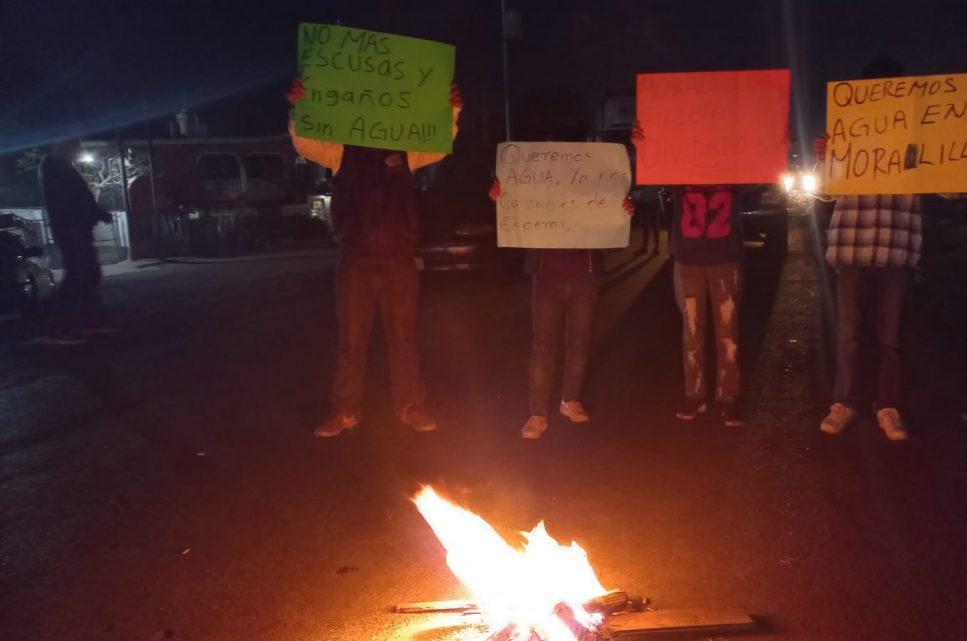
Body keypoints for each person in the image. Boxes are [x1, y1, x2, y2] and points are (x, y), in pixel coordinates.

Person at [813, 58, 967, 441]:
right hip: (852, 247)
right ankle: (843, 403)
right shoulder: (848, 135)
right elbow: (823, 190)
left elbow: (954, 188)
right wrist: (825, 157)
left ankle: (888, 407)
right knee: (848, 335)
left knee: (890, 337)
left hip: (897, 249)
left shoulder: (920, 139)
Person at [287, 77, 461, 437]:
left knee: (404, 338)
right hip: (356, 259)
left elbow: (439, 145)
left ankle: (411, 405)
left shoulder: (406, 148)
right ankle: (345, 408)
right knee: (351, 340)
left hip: (399, 257)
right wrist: (299, 107)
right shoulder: (340, 150)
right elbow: (305, 142)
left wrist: (452, 110)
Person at [487, 179, 635, 439]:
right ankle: (537, 414)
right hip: (547, 279)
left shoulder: (595, 189)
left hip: (584, 279)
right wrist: (502, 199)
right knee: (543, 346)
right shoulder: (539, 187)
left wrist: (622, 214)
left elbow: (612, 239)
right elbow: (516, 212)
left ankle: (570, 400)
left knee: (579, 343)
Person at [630, 122, 746, 427]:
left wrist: (776, 146)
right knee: (692, 332)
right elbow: (655, 168)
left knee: (727, 333)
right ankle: (695, 395)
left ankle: (728, 397)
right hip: (688, 260)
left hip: (725, 259)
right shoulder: (680, 168)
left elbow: (761, 172)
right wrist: (644, 145)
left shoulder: (733, 169)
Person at [38, 138, 115, 345]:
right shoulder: (55, 169)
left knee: (88, 273)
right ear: (62, 147)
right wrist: (94, 214)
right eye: (74, 149)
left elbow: (79, 198)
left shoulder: (60, 167)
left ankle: (89, 320)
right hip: (71, 229)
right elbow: (71, 201)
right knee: (77, 276)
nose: (77, 153)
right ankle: (61, 326)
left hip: (76, 228)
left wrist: (96, 213)